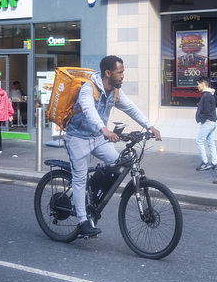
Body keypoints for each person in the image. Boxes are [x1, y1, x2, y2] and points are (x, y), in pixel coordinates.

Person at [65, 55, 162, 237]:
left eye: (123, 72)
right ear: (108, 73)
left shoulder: (115, 91)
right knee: (79, 178)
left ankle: (92, 195)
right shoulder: (89, 88)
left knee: (118, 164)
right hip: (77, 137)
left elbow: (130, 108)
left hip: (97, 137)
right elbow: (88, 110)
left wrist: (150, 126)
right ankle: (82, 222)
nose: (123, 76)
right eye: (120, 72)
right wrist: (104, 129)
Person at [194, 76, 217, 171]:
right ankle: (214, 163)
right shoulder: (210, 94)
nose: (198, 86)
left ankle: (205, 163)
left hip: (208, 122)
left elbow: (206, 110)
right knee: (210, 142)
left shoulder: (206, 95)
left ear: (203, 84)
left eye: (199, 84)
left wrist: (202, 119)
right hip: (212, 122)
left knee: (199, 141)